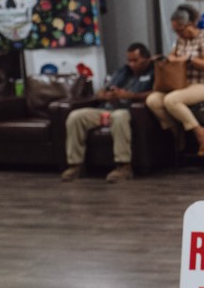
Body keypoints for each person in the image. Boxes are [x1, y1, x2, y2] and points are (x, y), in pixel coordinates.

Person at [60, 43, 154, 183]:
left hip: (127, 111)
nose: (131, 64)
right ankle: (76, 165)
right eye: (129, 60)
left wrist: (129, 95)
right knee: (75, 117)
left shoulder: (153, 72)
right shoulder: (122, 71)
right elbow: (100, 92)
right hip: (106, 109)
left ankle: (123, 166)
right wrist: (105, 96)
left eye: (135, 60)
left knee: (119, 116)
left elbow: (157, 93)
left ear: (146, 59)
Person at [145, 4, 204, 157]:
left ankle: (200, 133)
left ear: (190, 24)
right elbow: (174, 58)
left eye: (180, 29)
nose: (178, 34)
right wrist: (168, 59)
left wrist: (190, 59)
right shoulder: (180, 41)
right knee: (153, 100)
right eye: (175, 31)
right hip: (182, 85)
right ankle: (176, 131)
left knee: (171, 100)